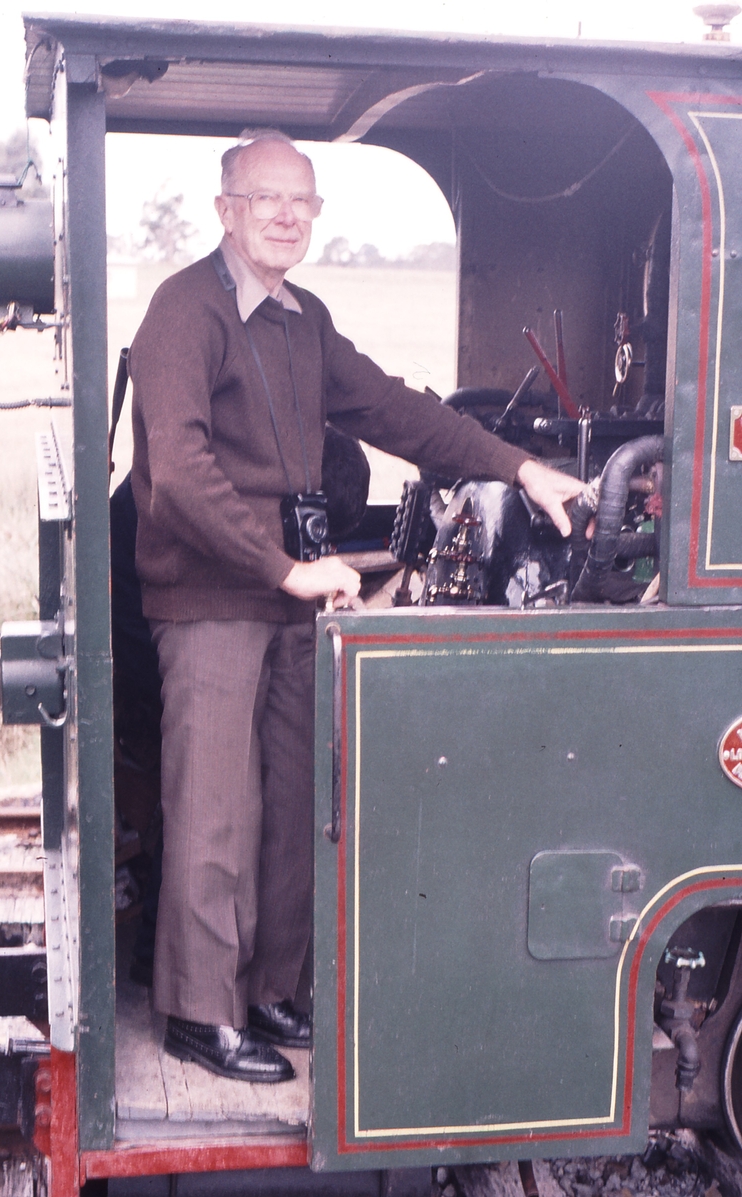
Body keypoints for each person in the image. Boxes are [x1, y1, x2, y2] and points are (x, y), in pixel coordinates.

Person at [128, 128, 583, 1084]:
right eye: (268, 199)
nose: (289, 215)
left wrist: (523, 467)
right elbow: (175, 476)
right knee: (215, 809)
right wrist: (285, 567)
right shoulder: (185, 312)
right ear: (226, 210)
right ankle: (197, 1010)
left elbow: (394, 409)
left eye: (304, 200)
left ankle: (269, 990)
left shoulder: (302, 319)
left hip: (292, 591)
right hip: (215, 596)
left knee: (295, 800)